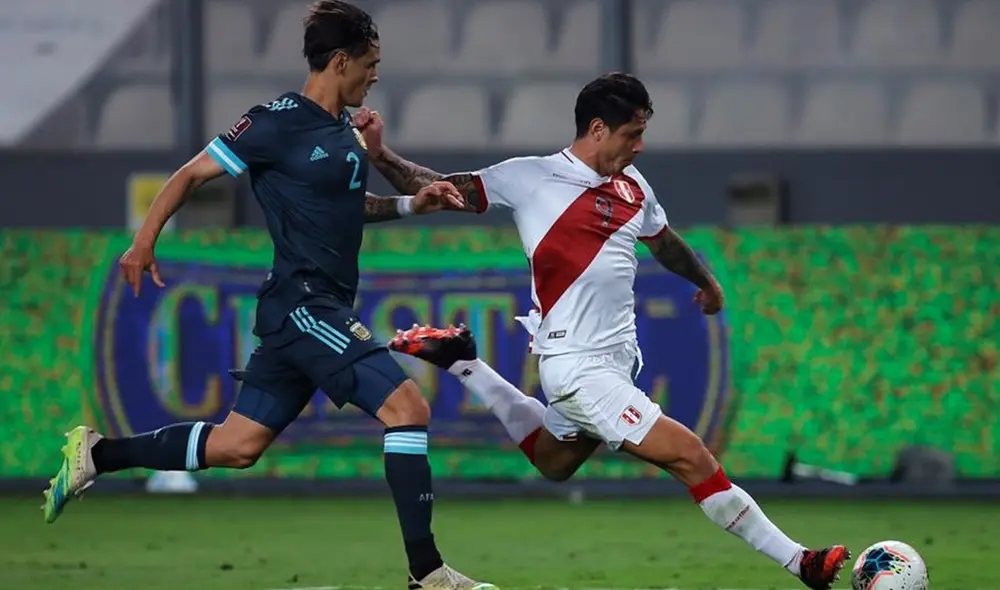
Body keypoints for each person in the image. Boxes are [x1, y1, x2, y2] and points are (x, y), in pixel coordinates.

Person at [42, 3, 494, 589]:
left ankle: (96, 455)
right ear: (340, 61)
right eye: (371, 63)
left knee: (237, 445)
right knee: (408, 409)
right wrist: (143, 241)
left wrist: (411, 203)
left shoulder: (344, 134)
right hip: (305, 304)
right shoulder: (274, 122)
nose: (376, 75)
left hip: (308, 310)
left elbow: (347, 210)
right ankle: (428, 574)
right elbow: (189, 174)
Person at [354, 72, 849, 590]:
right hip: (577, 368)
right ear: (596, 128)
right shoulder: (532, 177)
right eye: (631, 135)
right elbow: (438, 189)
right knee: (691, 457)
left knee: (554, 461)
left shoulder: (634, 187)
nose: (639, 146)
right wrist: (383, 156)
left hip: (614, 365)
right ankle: (802, 562)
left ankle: (464, 362)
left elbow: (663, 241)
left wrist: (706, 282)